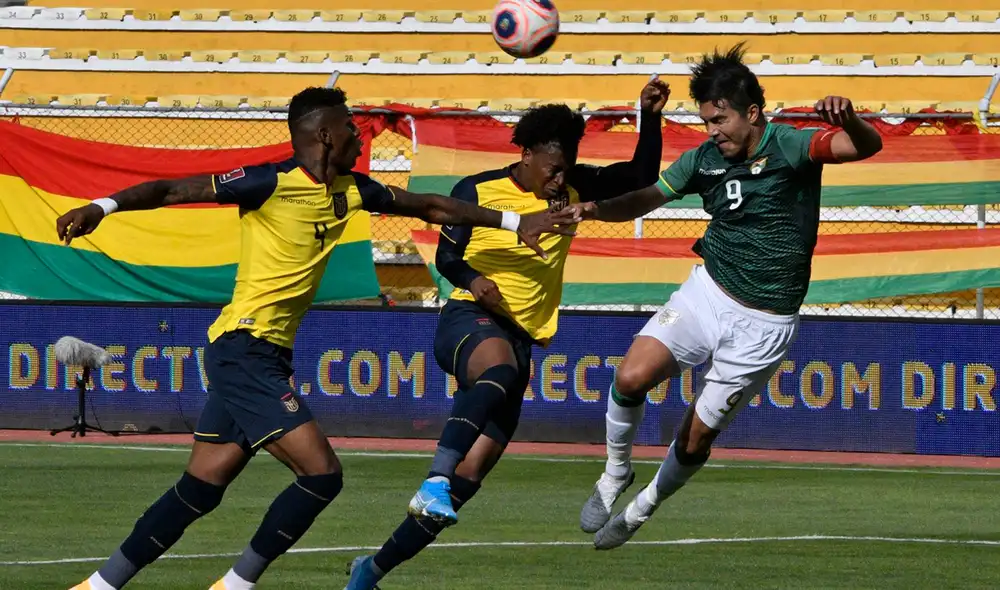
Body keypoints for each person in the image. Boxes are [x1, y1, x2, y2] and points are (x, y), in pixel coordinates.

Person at [59, 86, 578, 590]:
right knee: (321, 475)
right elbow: (172, 190)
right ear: (325, 135)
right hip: (243, 348)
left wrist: (515, 220)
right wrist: (100, 208)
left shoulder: (352, 190)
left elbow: (434, 208)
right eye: (351, 128)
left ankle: (100, 584)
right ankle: (237, 584)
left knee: (201, 487)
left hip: (262, 354)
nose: (359, 136)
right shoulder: (267, 182)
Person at [344, 78, 670, 589]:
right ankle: (431, 477)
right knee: (496, 369)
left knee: (466, 483)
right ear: (526, 155)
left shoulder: (575, 190)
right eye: (553, 167)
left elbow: (641, 175)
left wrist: (648, 116)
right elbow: (447, 256)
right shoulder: (476, 191)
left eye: (567, 167)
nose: (560, 178)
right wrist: (476, 280)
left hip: (521, 341)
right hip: (467, 317)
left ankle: (372, 569)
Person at [571, 43, 884, 550]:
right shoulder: (702, 159)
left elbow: (864, 147)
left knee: (696, 437)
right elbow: (645, 199)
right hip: (708, 292)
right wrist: (592, 211)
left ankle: (642, 508)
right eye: (705, 121)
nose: (712, 131)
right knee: (630, 376)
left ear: (752, 113)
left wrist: (849, 119)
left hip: (764, 324)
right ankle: (614, 475)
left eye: (720, 119)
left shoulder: (791, 146)